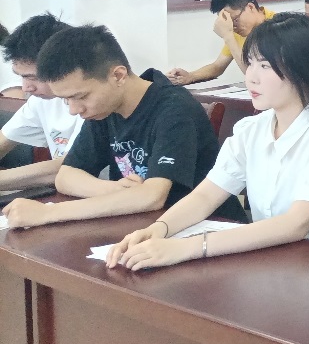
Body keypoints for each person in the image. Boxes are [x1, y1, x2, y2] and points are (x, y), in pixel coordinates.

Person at [105, 14, 309, 270]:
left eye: (265, 66)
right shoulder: (251, 129)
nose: (251, 76)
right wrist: (158, 230)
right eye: (250, 63)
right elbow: (206, 195)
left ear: (303, 71)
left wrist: (187, 248)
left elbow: (296, 223)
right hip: (268, 255)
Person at [2, 25, 245, 230]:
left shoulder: (174, 109)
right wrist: (114, 190)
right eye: (66, 100)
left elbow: (152, 196)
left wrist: (48, 213)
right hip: (141, 225)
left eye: (80, 97)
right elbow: (66, 176)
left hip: (209, 229)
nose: (74, 110)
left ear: (118, 76)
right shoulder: (104, 110)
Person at [0, 14, 79, 192]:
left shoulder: (91, 102)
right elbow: (4, 140)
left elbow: (69, 167)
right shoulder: (42, 100)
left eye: (33, 77)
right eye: (21, 77)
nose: (26, 88)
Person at [167, 0, 272, 85]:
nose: (233, 27)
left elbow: (253, 74)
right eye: (229, 23)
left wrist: (228, 36)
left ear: (250, 7)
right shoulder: (239, 31)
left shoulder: (277, 26)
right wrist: (190, 76)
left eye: (235, 20)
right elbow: (218, 66)